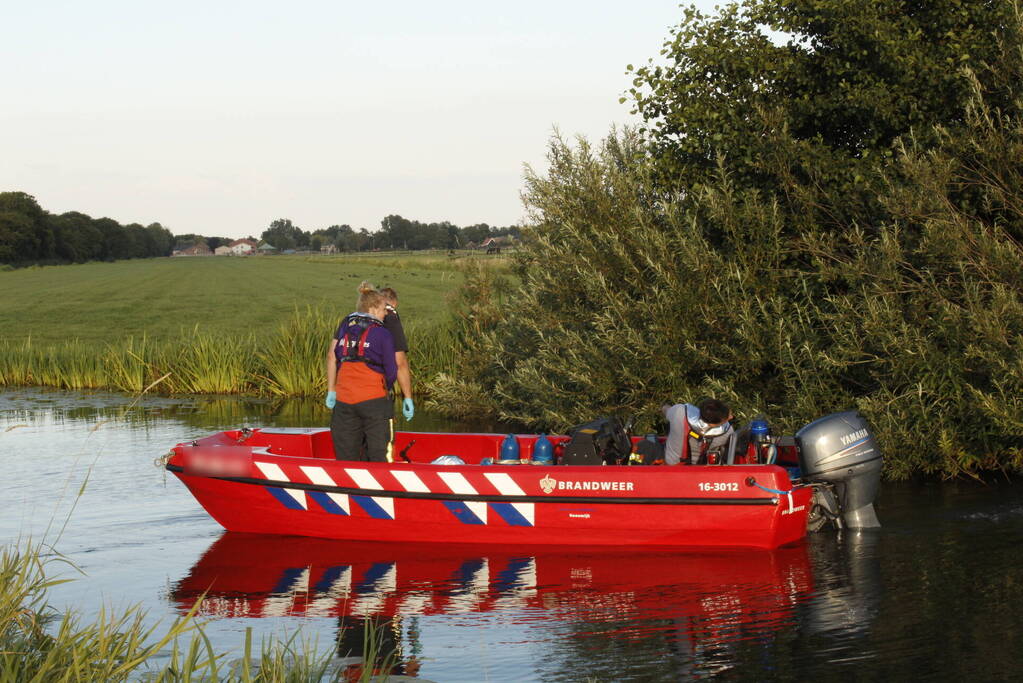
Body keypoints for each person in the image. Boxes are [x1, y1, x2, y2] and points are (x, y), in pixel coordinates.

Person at [325, 282, 397, 461]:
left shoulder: (345, 327)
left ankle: (348, 485)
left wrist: (332, 390)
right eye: (382, 309)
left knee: (346, 453)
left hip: (344, 401)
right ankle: (380, 486)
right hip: (373, 400)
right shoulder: (383, 333)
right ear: (372, 309)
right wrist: (384, 390)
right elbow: (391, 370)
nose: (385, 313)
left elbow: (331, 356)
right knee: (379, 453)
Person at [661, 398, 735, 465]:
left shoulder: (679, 412)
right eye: (726, 419)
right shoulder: (727, 433)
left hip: (671, 466)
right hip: (700, 470)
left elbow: (665, 409)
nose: (731, 417)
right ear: (712, 424)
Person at [379, 286, 414, 422]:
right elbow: (400, 363)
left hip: (348, 391)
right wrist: (408, 398)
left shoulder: (356, 317)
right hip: (378, 389)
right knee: (384, 435)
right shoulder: (391, 316)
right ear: (394, 303)